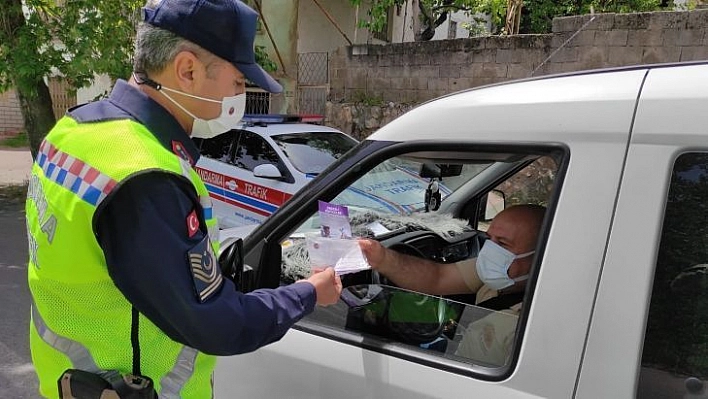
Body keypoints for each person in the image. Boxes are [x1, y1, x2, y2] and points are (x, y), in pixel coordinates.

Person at [26, 1, 341, 398]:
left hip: (68, 379)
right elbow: (217, 324)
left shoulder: (74, 129)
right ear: (187, 70)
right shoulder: (145, 178)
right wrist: (309, 293)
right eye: (239, 82)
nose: (242, 95)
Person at [359, 204, 545, 365]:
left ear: (540, 257)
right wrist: (383, 259)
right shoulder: (498, 275)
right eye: (489, 239)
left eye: (503, 244)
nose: (490, 251)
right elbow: (438, 277)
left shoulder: (536, 330)